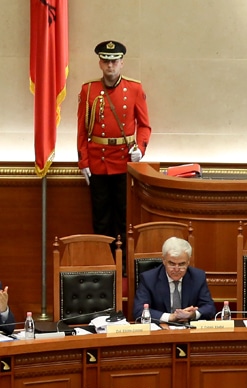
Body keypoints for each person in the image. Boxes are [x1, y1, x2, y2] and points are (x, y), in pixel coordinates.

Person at [77, 40, 151, 256]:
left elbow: (144, 126)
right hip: (97, 162)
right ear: (100, 63)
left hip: (123, 161)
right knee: (101, 218)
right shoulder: (88, 89)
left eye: (114, 61)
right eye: (106, 61)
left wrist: (140, 149)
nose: (110, 65)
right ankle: (105, 261)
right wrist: (83, 161)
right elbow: (82, 129)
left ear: (122, 63)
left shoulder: (135, 89)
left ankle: (123, 262)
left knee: (123, 217)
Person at [133, 237, 214, 323]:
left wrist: (192, 315)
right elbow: (139, 310)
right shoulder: (148, 279)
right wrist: (171, 317)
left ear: (188, 262)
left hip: (189, 328)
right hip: (161, 328)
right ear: (164, 260)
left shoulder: (198, 277)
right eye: (172, 263)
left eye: (181, 264)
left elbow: (210, 307)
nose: (176, 269)